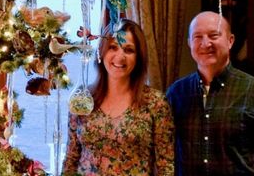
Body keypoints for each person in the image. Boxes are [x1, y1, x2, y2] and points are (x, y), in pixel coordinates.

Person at [166, 11, 254, 175]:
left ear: (230, 41)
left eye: (213, 35)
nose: (205, 43)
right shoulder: (176, 94)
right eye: (197, 37)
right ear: (189, 43)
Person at [63, 19, 174, 176]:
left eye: (128, 50)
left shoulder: (155, 103)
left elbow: (166, 166)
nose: (119, 57)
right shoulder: (83, 99)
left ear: (138, 58)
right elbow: (71, 159)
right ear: (102, 51)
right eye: (113, 47)